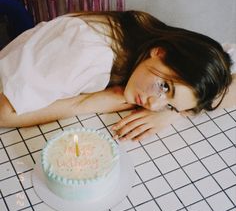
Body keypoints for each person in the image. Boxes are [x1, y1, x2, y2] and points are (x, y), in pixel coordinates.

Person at [0, 11, 235, 141]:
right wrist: (93, 102)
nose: (154, 104)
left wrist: (172, 114)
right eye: (165, 87)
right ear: (160, 52)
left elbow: (225, 85)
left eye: (170, 104)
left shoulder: (142, 34)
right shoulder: (90, 54)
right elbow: (3, 113)